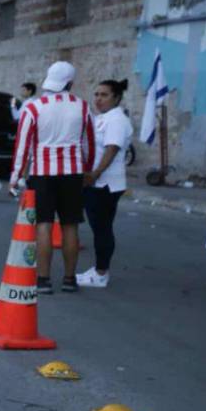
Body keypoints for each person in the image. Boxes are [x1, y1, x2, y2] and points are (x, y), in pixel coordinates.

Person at [9, 61, 94, 293]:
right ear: (70, 83)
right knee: (70, 226)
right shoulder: (83, 107)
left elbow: (22, 147)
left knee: (44, 226)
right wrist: (86, 169)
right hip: (73, 173)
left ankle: (44, 280)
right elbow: (88, 145)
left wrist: (15, 177)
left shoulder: (33, 108)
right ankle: (69, 279)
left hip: (42, 174)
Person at [77, 79, 133, 288]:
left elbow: (112, 149)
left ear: (116, 98)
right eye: (97, 94)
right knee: (100, 227)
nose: (98, 99)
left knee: (102, 228)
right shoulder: (103, 118)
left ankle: (101, 273)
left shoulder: (116, 120)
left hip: (105, 183)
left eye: (104, 95)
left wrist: (95, 173)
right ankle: (99, 270)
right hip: (97, 181)